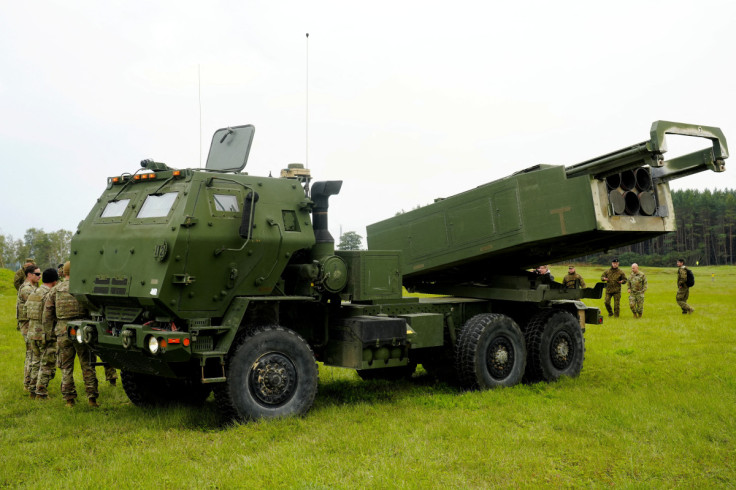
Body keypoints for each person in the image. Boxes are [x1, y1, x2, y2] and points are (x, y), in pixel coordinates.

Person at [43, 261, 101, 407]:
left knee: (66, 367)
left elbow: (47, 314)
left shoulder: (56, 290)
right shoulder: (83, 288)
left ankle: (69, 399)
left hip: (63, 331)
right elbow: (94, 310)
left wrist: (49, 333)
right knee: (87, 364)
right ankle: (92, 398)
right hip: (82, 330)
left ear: (63, 272)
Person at [26, 268, 59, 399]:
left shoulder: (34, 292)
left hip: (32, 333)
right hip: (45, 334)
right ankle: (41, 392)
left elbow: (26, 310)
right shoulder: (50, 295)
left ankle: (32, 390)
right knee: (47, 364)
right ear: (55, 280)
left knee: (35, 362)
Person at [16, 264, 40, 391]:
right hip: (27, 323)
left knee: (31, 352)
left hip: (30, 323)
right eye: (37, 274)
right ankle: (28, 383)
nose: (39, 276)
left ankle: (30, 382)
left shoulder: (32, 287)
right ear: (29, 275)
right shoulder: (26, 289)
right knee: (31, 352)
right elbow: (36, 303)